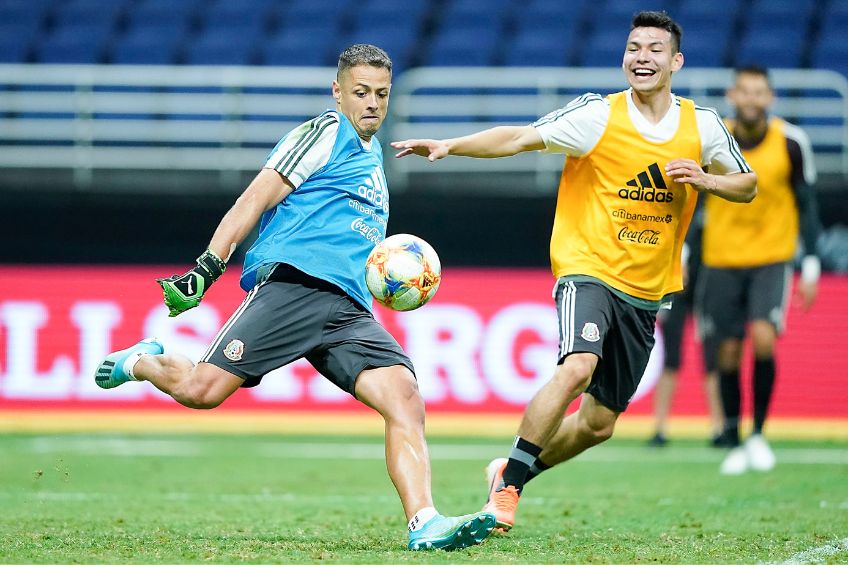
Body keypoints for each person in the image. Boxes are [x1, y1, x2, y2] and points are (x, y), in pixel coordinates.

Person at [93, 44, 495, 551]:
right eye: (361, 92)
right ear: (337, 91)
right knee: (201, 391)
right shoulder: (323, 133)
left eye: (382, 94)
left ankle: (425, 522)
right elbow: (254, 198)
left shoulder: (373, 158)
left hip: (348, 306)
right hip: (294, 285)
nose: (373, 103)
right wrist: (207, 268)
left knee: (405, 398)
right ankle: (145, 361)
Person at [392, 11, 756, 532]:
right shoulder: (597, 115)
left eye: (654, 49)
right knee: (577, 366)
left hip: (648, 288)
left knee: (598, 424)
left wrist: (706, 179)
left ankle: (509, 471)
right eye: (633, 47)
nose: (641, 57)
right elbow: (520, 138)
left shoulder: (703, 126)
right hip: (587, 269)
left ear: (676, 62)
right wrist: (453, 146)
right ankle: (507, 495)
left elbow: (748, 184)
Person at [697, 65, 822, 475]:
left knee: (764, 339)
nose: (751, 99)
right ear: (733, 95)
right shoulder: (714, 137)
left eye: (759, 92)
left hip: (772, 258)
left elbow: (806, 203)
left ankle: (758, 434)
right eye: (744, 92)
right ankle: (733, 437)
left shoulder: (791, 141)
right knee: (728, 351)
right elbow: (691, 199)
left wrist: (811, 261)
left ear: (770, 98)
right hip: (721, 259)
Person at [647, 205, 724, 447]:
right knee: (670, 356)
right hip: (675, 281)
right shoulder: (685, 187)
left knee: (713, 357)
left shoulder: (717, 192)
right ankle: (659, 427)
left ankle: (720, 427)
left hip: (708, 280)